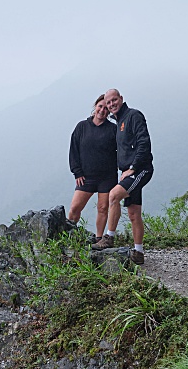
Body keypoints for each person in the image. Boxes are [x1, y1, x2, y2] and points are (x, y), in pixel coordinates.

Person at [91, 88, 154, 265]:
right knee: (134, 213)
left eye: (114, 100)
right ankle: (138, 252)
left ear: (121, 99)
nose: (111, 105)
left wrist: (133, 168)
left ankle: (109, 238)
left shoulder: (134, 116)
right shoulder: (118, 122)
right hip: (128, 171)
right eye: (108, 102)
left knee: (113, 195)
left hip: (140, 169)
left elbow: (144, 142)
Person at [65, 95, 118, 241]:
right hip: (86, 177)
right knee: (75, 208)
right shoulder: (82, 127)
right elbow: (73, 150)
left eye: (106, 108)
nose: (102, 110)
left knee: (102, 208)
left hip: (107, 177)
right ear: (95, 106)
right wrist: (77, 172)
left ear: (109, 112)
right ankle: (70, 236)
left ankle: (99, 239)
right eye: (100, 106)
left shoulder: (113, 129)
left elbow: (122, 150)